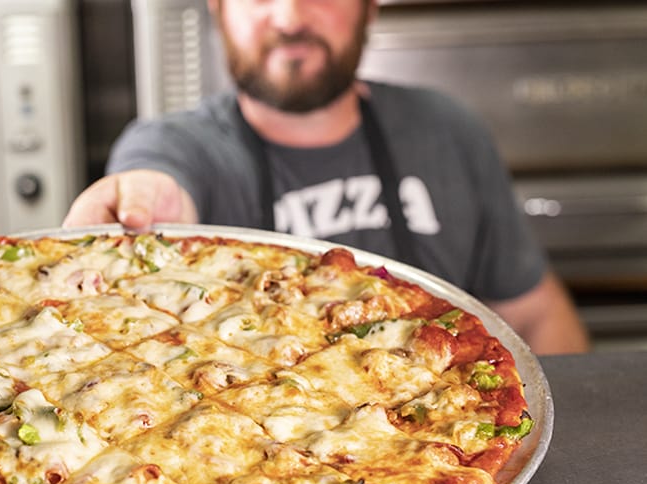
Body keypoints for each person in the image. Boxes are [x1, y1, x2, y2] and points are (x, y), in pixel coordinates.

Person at [63, 0, 589, 355]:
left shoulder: (447, 128)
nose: (290, 17)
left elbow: (535, 313)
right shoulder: (178, 144)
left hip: (432, 449)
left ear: (369, 5)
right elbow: (156, 181)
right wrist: (145, 207)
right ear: (217, 6)